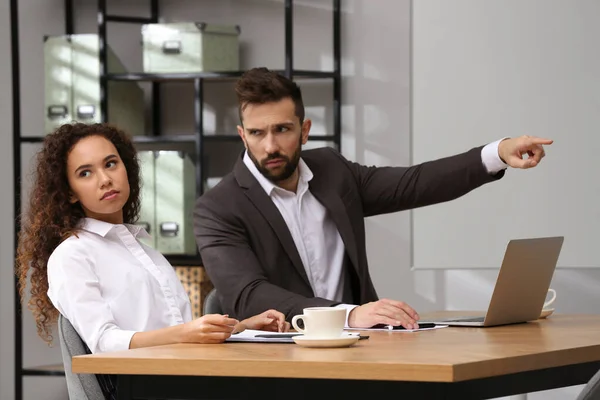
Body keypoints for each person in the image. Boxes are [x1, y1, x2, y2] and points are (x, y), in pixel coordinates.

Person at [193, 67, 553, 331]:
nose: (269, 145)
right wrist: (348, 314)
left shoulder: (332, 170)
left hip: (362, 347)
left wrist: (496, 153)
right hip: (278, 362)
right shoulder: (218, 208)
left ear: (304, 131)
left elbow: (413, 183)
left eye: (282, 130)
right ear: (242, 135)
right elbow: (248, 295)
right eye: (257, 133)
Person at [16, 123, 290, 400]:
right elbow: (104, 342)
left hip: (177, 378)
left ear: (126, 169)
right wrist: (186, 333)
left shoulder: (147, 254)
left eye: (111, 164)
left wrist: (242, 327)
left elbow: (181, 332)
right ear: (70, 191)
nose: (105, 179)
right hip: (138, 386)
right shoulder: (72, 255)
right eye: (85, 173)